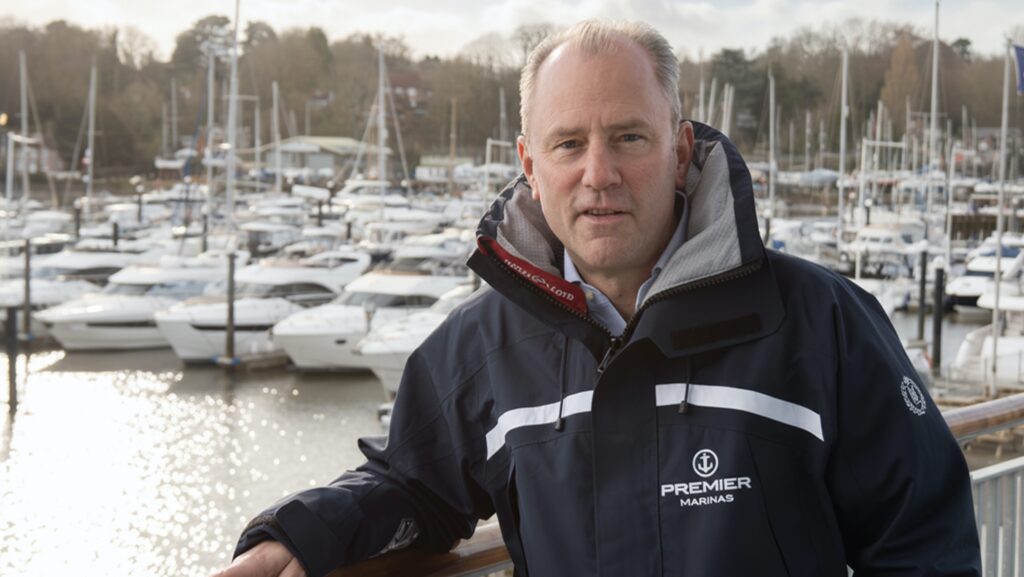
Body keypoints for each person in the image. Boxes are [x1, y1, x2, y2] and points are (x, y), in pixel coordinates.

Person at [215, 20, 981, 577]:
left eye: (629, 138)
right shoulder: (485, 349)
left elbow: (923, 542)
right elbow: (410, 481)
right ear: (529, 163)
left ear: (680, 149)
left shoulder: (820, 323)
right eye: (569, 144)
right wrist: (301, 536)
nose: (599, 174)